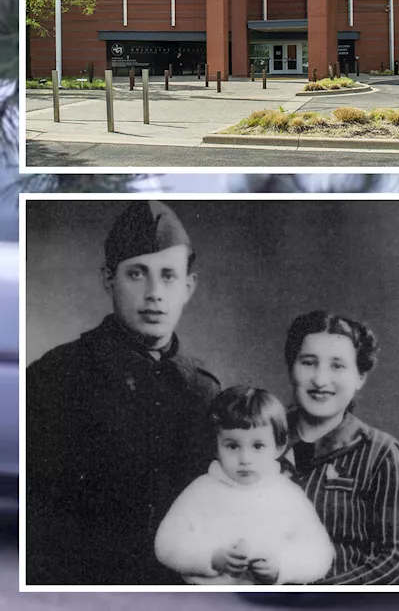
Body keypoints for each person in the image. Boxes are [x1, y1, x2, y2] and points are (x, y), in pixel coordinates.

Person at [25, 200, 222, 585]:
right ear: (107, 279)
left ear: (188, 287)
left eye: (168, 276)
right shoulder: (55, 377)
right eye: (136, 274)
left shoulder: (205, 390)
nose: (154, 293)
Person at [279, 310, 399, 585]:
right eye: (308, 363)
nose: (320, 380)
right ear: (291, 368)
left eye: (338, 366)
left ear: (360, 377)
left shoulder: (382, 453)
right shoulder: (262, 442)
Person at [153, 385, 334, 585]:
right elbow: (166, 544)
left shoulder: (288, 495)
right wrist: (212, 558)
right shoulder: (202, 490)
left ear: (279, 447)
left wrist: (281, 566)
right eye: (232, 446)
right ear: (215, 447)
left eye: (258, 446)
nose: (245, 458)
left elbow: (320, 554)